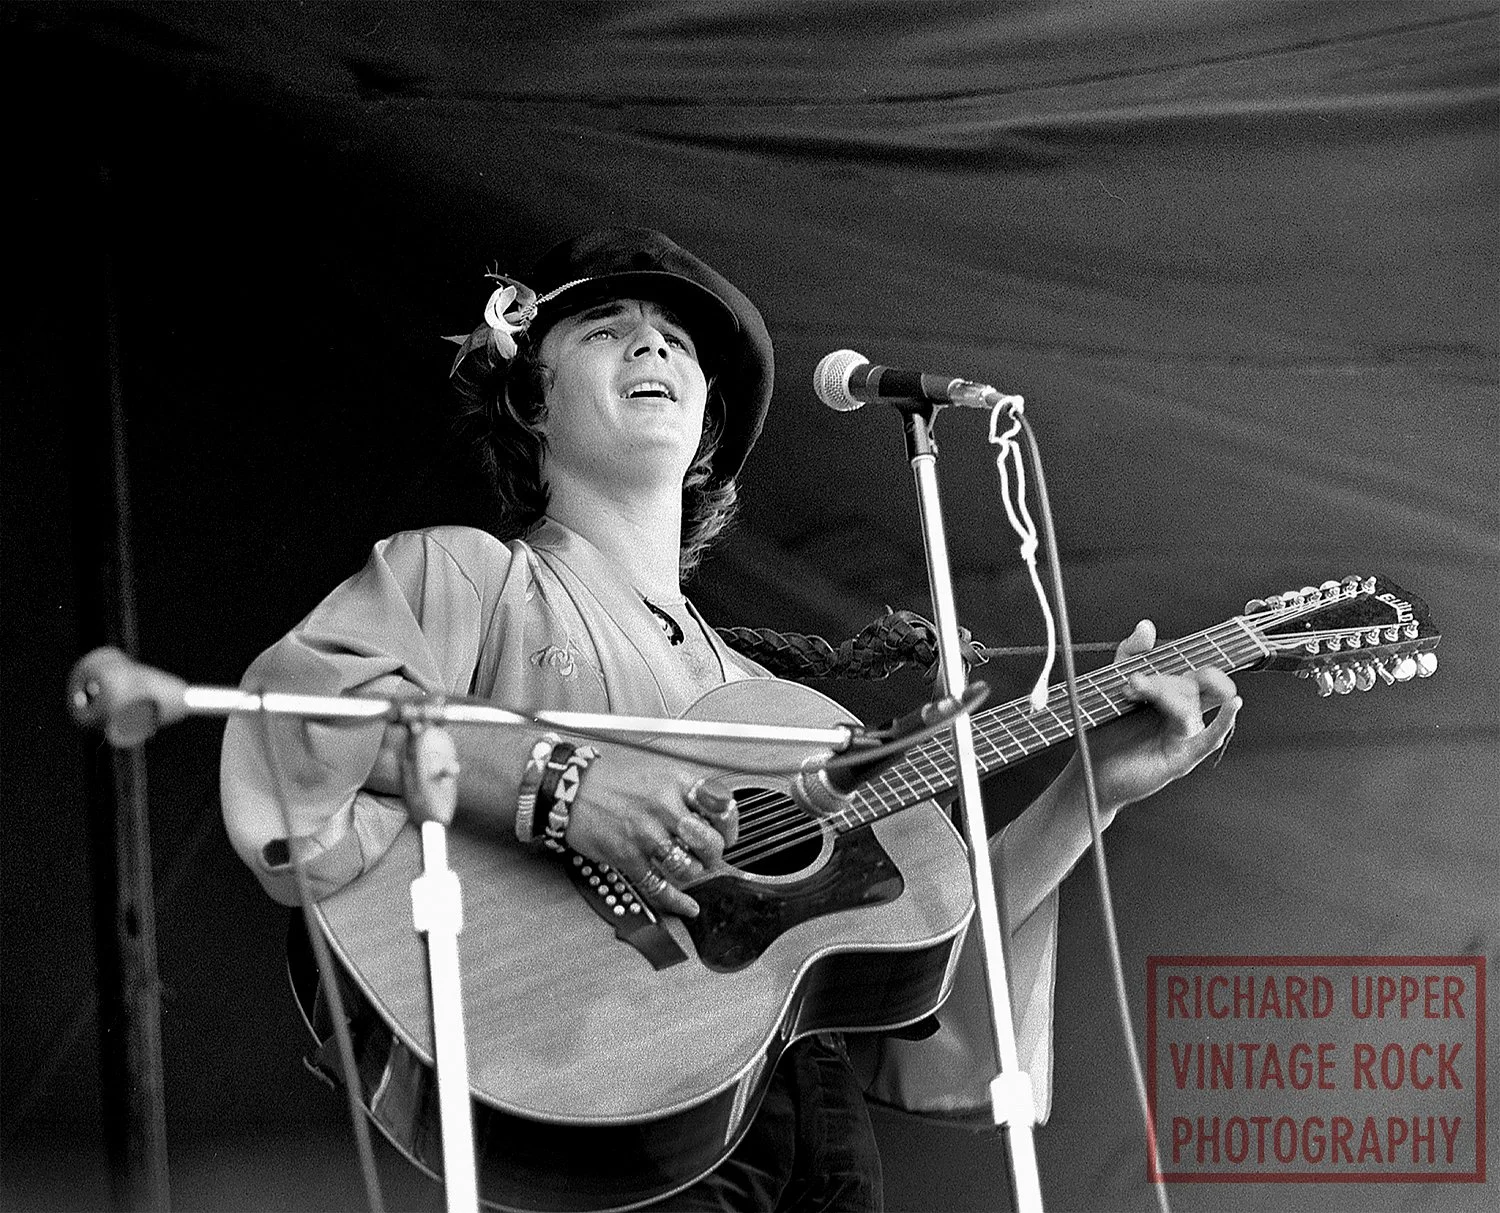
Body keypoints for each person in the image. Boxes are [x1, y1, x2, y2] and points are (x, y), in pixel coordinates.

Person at [220, 227, 1240, 1211]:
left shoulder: (783, 706)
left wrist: (1090, 789)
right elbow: (297, 720)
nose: (652, 341)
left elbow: (909, 958)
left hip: (815, 1136)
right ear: (533, 399)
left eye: (676, 338)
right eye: (606, 328)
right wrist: (560, 787)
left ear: (707, 426)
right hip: (609, 1096)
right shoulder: (472, 579)